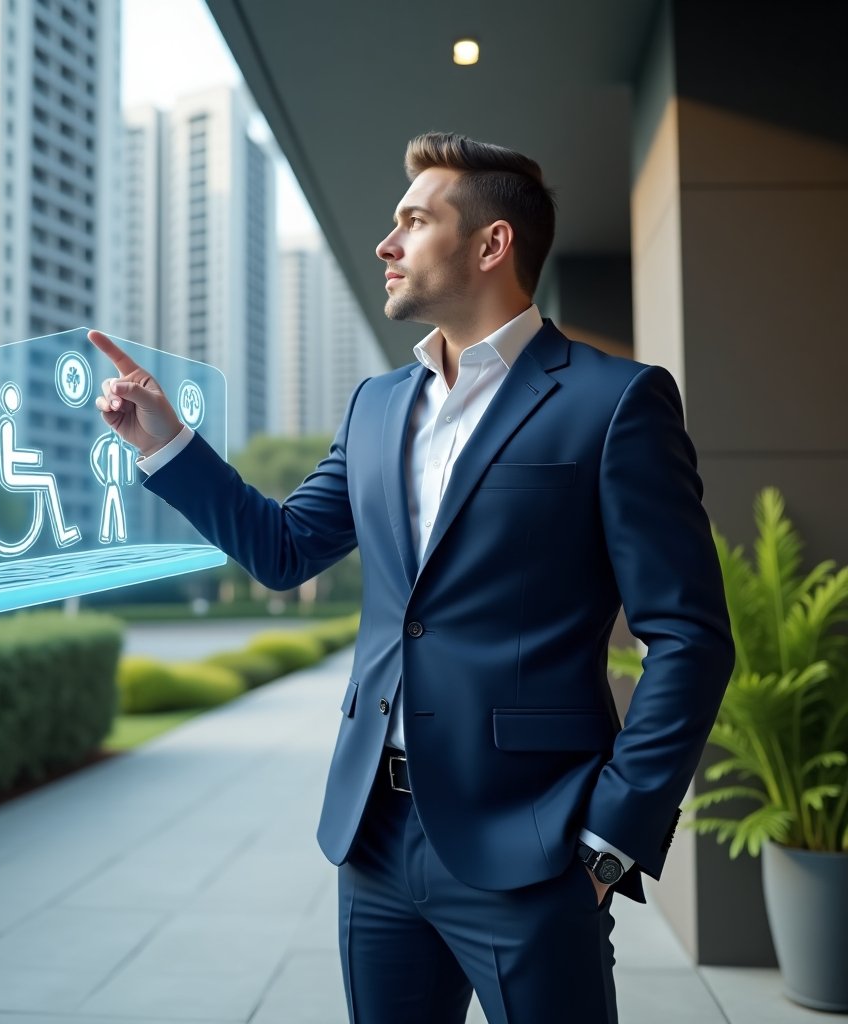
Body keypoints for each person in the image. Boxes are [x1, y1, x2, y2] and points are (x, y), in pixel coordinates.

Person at [88, 131, 734, 1024]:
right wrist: (166, 443)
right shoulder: (376, 404)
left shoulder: (614, 401)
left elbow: (691, 637)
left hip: (537, 847)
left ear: (491, 244)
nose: (386, 244)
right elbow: (285, 550)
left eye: (413, 221)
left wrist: (610, 843)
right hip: (376, 842)